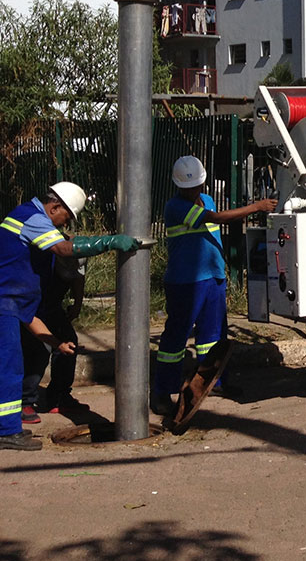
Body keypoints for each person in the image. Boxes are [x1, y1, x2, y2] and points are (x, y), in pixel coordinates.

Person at [0, 182, 138, 451]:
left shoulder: (28, 217)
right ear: (55, 207)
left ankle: (10, 427)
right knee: (9, 368)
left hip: (13, 303)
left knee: (14, 365)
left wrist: (57, 343)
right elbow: (64, 248)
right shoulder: (33, 218)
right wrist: (108, 241)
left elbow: (33, 321)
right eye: (67, 217)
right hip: (5, 302)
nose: (65, 225)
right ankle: (7, 431)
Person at [151, 156, 275, 417]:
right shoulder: (175, 207)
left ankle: (214, 382)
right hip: (186, 281)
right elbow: (217, 218)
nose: (193, 191)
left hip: (212, 278)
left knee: (213, 337)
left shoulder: (205, 199)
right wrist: (256, 207)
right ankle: (162, 391)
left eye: (196, 186)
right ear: (178, 186)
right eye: (188, 187)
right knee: (176, 338)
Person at [20, 240, 86, 422]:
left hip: (52, 306)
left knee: (70, 341)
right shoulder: (41, 263)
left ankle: (59, 396)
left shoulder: (74, 256)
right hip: (34, 307)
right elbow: (30, 316)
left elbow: (78, 278)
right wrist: (55, 342)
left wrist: (77, 304)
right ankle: (25, 400)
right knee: (39, 347)